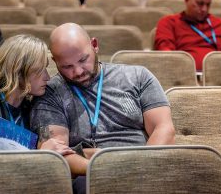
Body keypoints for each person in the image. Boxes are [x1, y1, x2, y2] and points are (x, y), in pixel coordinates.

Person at [30, 22, 175, 193]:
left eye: (83, 60)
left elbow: (164, 128)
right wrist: (107, 169)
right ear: (55, 61)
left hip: (145, 164)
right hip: (89, 173)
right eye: (67, 66)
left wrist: (140, 167)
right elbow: (58, 154)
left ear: (95, 45)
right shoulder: (50, 92)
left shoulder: (137, 76)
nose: (77, 72)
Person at [154, 0, 221, 71]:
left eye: (208, 4)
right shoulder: (168, 23)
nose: (204, 9)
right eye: (200, 3)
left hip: (217, 78)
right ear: (186, 0)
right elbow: (167, 56)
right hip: (183, 77)